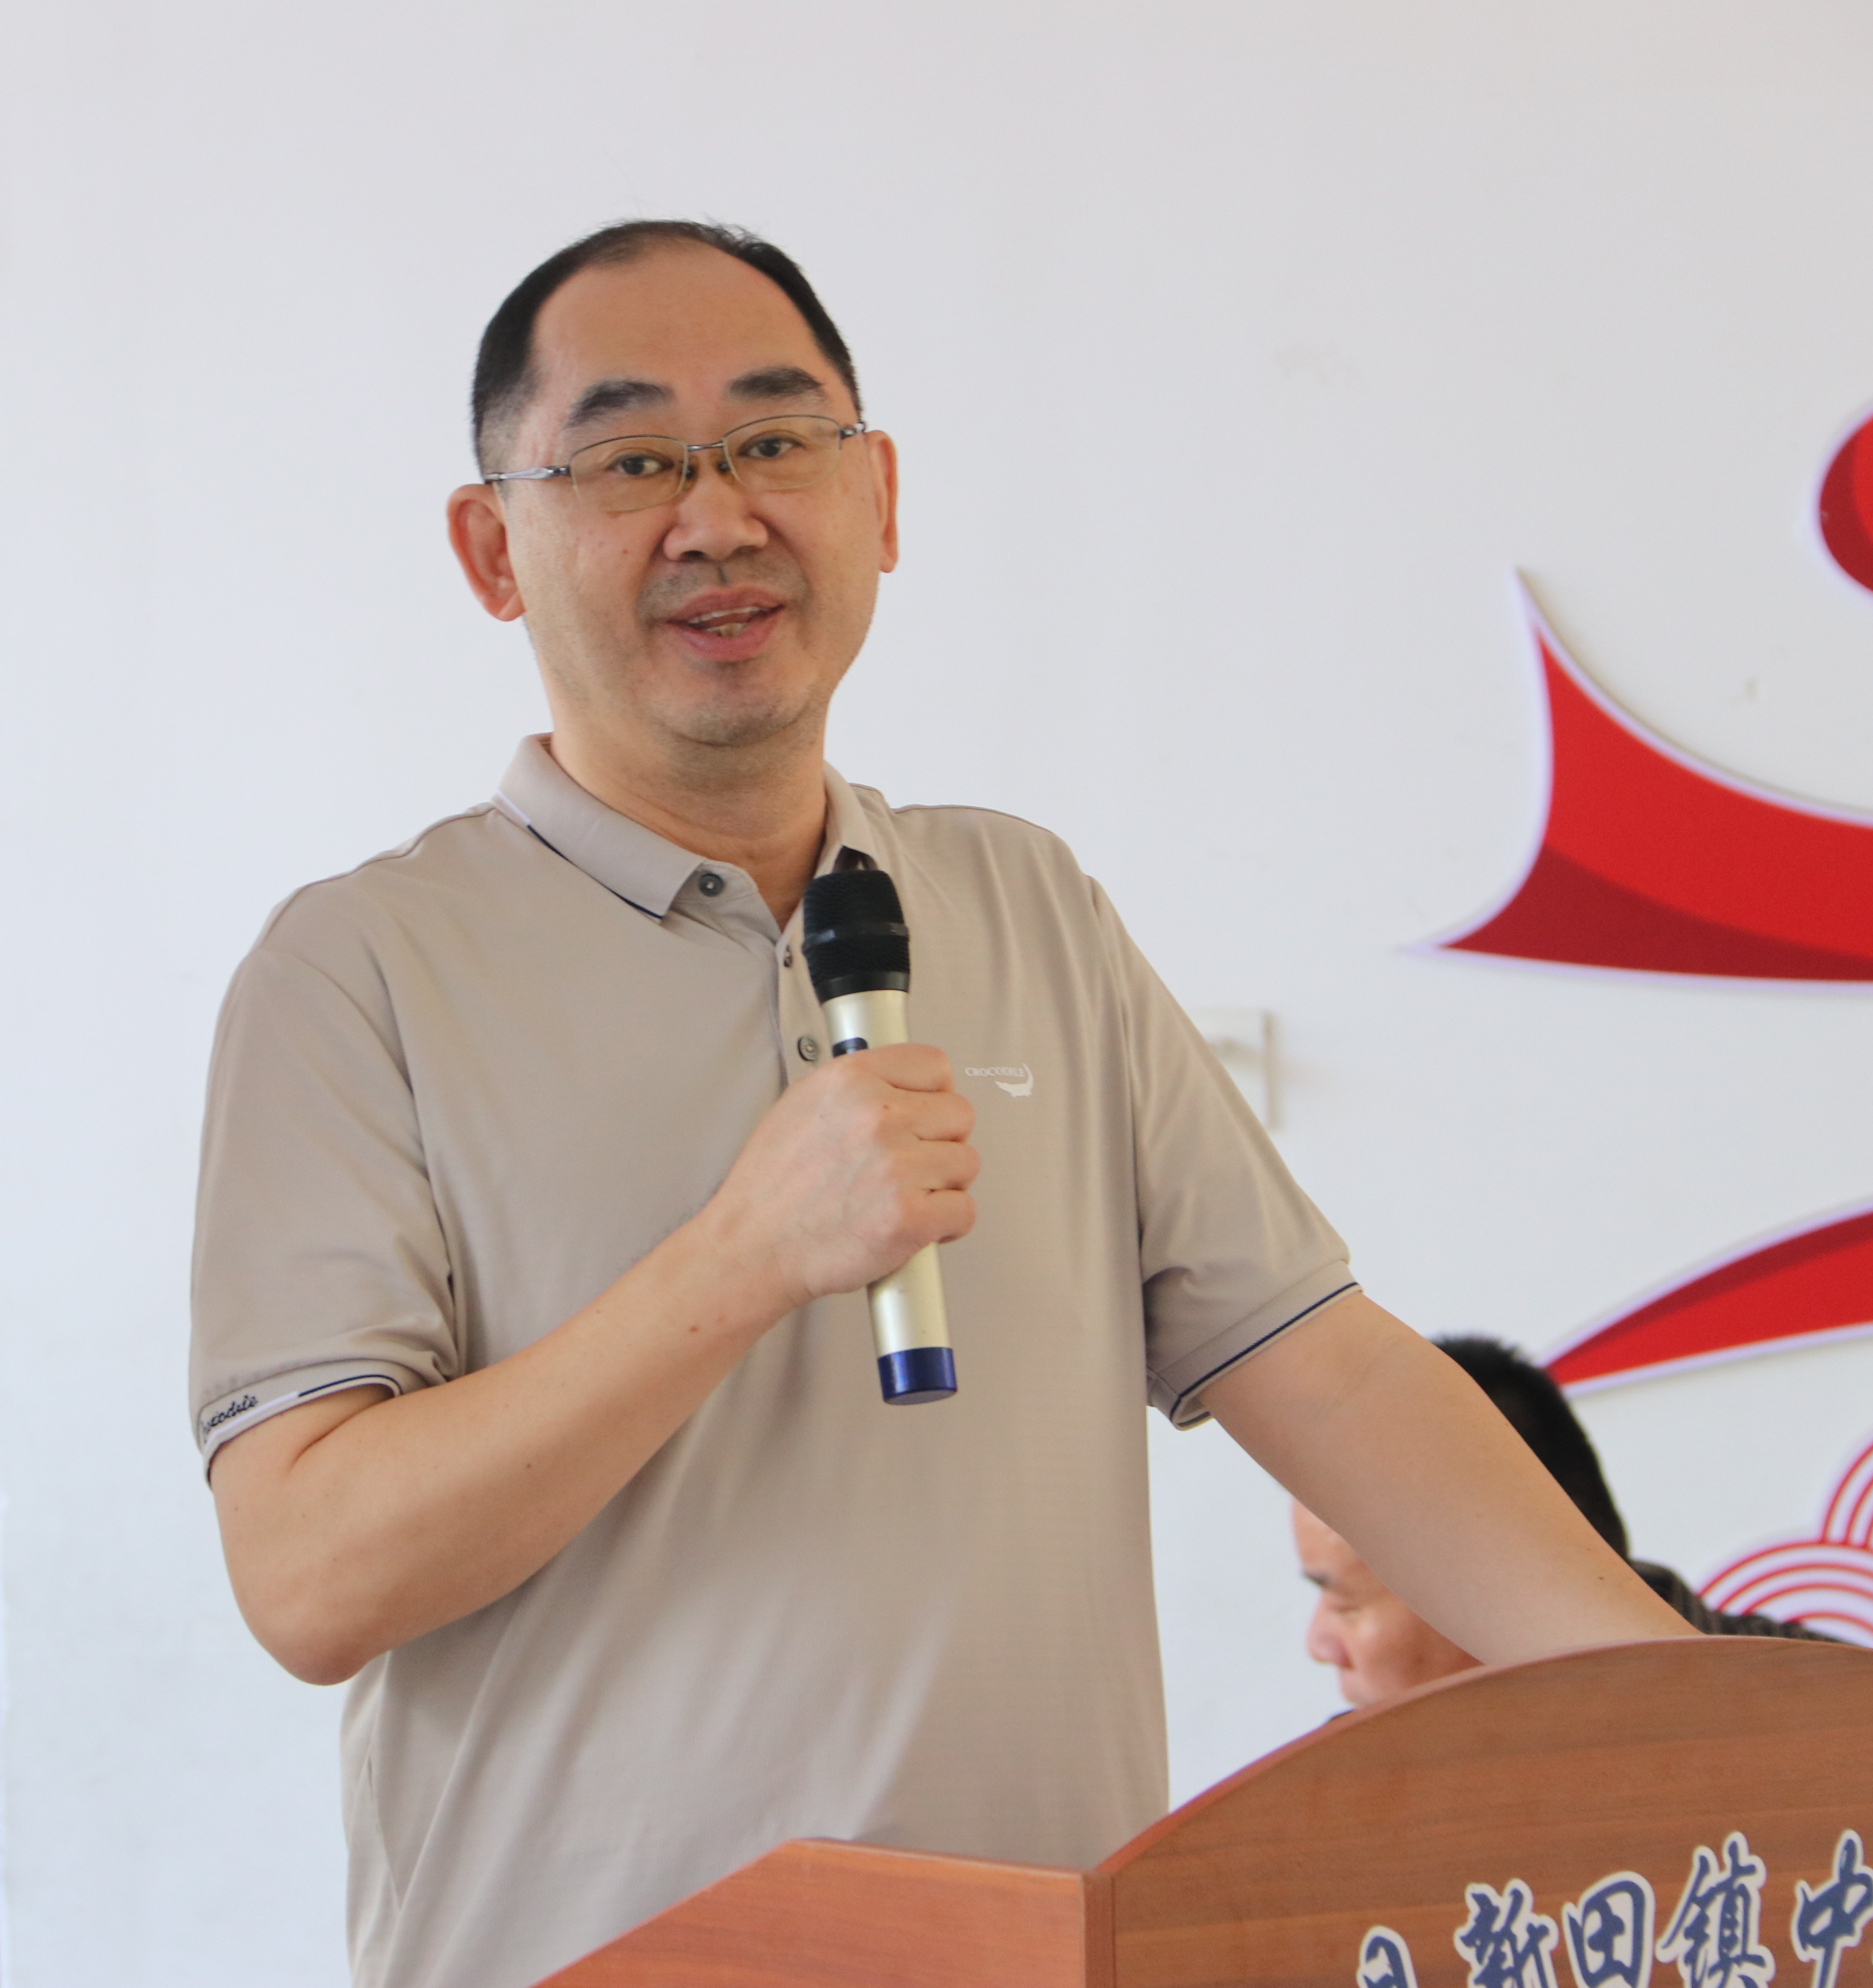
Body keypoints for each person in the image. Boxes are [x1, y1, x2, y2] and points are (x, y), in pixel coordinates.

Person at [188, 220, 1696, 1988]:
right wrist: (739, 1258)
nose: (718, 516)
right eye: (630, 461)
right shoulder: (361, 970)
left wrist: (1716, 1717)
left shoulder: (1024, 905)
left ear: (879, 497)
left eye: (774, 440)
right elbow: (310, 1573)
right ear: (489, 548)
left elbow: (1333, 1373)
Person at [1291, 1335, 1832, 1709]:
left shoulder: (1835, 1716)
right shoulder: (1338, 1799)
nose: (1320, 1645)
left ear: (1493, 1590)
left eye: (1343, 1604)